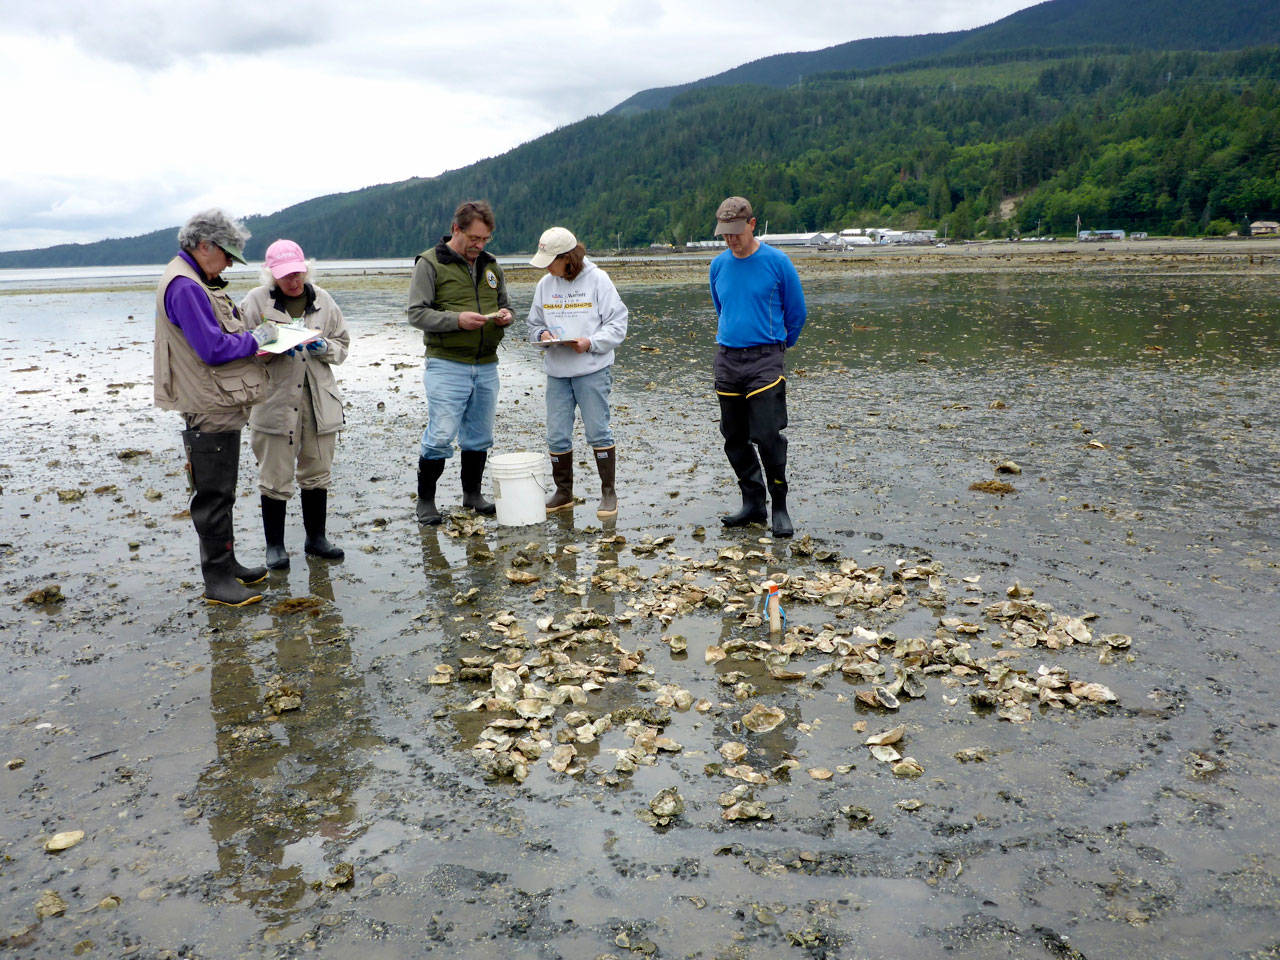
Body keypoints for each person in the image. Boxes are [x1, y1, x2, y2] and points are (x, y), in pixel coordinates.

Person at [154, 209, 278, 606]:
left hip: (215, 401)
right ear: (204, 245)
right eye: (226, 255)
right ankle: (217, 581)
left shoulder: (191, 278)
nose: (228, 264)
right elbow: (211, 348)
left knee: (221, 492)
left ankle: (228, 565)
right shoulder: (186, 286)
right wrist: (256, 338)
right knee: (212, 495)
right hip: (208, 404)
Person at [240, 239, 350, 570]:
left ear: (306, 268)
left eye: (298, 273)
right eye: (286, 275)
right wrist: (265, 348)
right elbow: (239, 349)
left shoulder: (324, 301)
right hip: (273, 403)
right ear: (272, 275)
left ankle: (316, 540)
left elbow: (343, 346)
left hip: (318, 402)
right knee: (274, 476)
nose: (293, 281)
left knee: (317, 472)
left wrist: (322, 347)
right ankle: (275, 546)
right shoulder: (255, 302)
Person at [407, 200, 514, 524]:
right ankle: (426, 501)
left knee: (479, 435)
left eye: (485, 240)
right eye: (474, 239)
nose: (479, 246)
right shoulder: (429, 263)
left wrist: (507, 317)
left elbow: (505, 305)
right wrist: (457, 320)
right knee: (440, 434)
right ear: (456, 229)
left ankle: (472, 495)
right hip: (446, 363)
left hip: (486, 364)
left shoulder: (491, 265)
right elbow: (416, 313)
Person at [708, 196, 807, 538]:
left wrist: (778, 346)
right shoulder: (718, 265)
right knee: (733, 437)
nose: (731, 239)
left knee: (766, 436)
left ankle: (779, 505)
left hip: (766, 358)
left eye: (736, 232)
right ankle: (753, 505)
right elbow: (722, 308)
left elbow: (796, 313)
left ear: (752, 224)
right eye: (725, 234)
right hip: (728, 358)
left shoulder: (777, 262)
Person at [526, 227, 628, 518]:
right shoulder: (545, 284)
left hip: (592, 368)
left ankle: (608, 492)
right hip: (557, 371)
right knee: (557, 435)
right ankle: (563, 492)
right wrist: (543, 334)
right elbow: (533, 324)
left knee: (598, 430)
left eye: (550, 260)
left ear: (568, 258)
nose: (546, 266)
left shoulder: (597, 279)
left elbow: (618, 322)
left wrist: (591, 343)